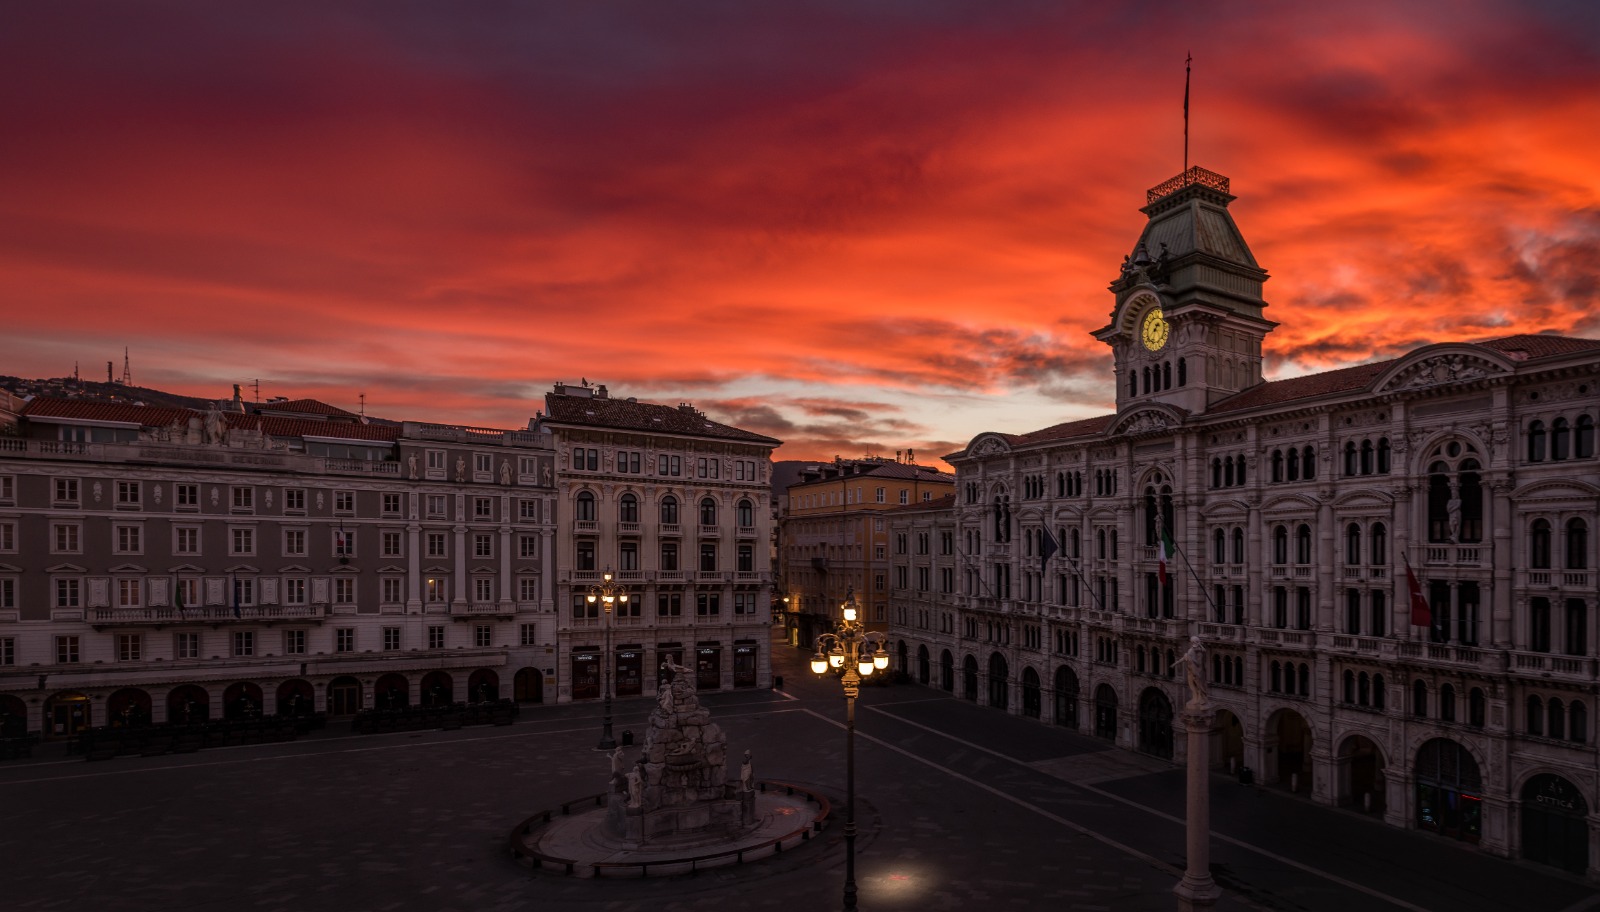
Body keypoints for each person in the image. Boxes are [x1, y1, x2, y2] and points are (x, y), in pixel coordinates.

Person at [1181, 636, 1207, 707]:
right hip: (1196, 671)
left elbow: (1194, 662)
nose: (1198, 644)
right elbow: (1192, 661)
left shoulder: (1197, 650)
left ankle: (1199, 698)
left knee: (1197, 685)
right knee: (1195, 685)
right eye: (1197, 642)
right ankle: (1198, 698)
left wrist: (1187, 657)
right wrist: (1187, 656)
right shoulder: (1198, 650)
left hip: (1197, 671)